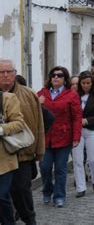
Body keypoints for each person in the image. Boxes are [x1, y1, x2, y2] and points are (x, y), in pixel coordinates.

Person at [0, 59, 44, 224]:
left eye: (8, 72)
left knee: (22, 193)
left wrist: (39, 150)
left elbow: (39, 122)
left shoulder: (28, 94)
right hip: (2, 156)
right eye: (1, 72)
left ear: (15, 74)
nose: (5, 76)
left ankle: (29, 220)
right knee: (3, 196)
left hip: (23, 154)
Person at [37, 66, 82, 207]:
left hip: (64, 137)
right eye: (53, 75)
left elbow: (77, 117)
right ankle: (47, 191)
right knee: (44, 167)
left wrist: (76, 136)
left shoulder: (71, 95)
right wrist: (38, 103)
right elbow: (33, 112)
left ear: (65, 79)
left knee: (60, 169)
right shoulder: (41, 93)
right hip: (45, 137)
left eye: (60, 75)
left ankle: (59, 196)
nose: (56, 77)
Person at [72, 71, 94, 197]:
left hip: (93, 130)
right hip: (77, 131)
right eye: (83, 83)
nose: (86, 85)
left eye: (88, 83)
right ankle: (81, 187)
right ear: (80, 83)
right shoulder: (74, 96)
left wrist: (87, 120)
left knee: (92, 159)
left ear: (92, 84)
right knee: (77, 159)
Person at [0, 90, 25, 225]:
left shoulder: (7, 98)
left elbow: (19, 123)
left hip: (4, 160)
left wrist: (2, 129)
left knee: (1, 196)